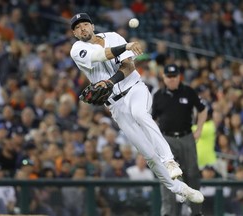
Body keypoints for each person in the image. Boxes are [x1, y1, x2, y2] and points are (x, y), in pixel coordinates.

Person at [69, 13, 204, 203]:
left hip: (135, 89)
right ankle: (180, 189)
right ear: (75, 33)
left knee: (140, 114)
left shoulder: (113, 36)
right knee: (148, 154)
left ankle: (169, 160)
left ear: (92, 25)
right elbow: (100, 55)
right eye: (77, 27)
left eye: (84, 24)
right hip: (115, 105)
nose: (82, 28)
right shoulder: (77, 49)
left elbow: (129, 66)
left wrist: (111, 80)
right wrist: (126, 46)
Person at [152, 64, 208, 216]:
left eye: (174, 76)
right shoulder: (158, 95)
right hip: (167, 139)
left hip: (186, 137)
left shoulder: (188, 91)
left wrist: (199, 129)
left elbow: (203, 110)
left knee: (192, 175)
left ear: (179, 77)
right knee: (167, 177)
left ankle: (196, 212)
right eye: (169, 76)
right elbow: (151, 120)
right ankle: (168, 213)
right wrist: (156, 138)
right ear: (163, 77)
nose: (172, 79)